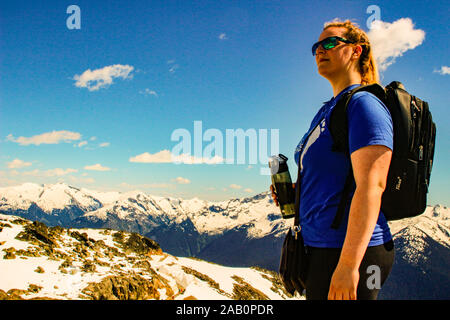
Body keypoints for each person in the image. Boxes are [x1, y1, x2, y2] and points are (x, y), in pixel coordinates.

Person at [271, 19, 395, 300]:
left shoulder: (365, 105)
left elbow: (372, 185)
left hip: (354, 254)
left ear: (356, 51)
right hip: (321, 247)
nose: (319, 50)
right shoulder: (328, 111)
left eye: (330, 43)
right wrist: (297, 193)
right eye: (316, 46)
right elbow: (334, 177)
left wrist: (349, 265)